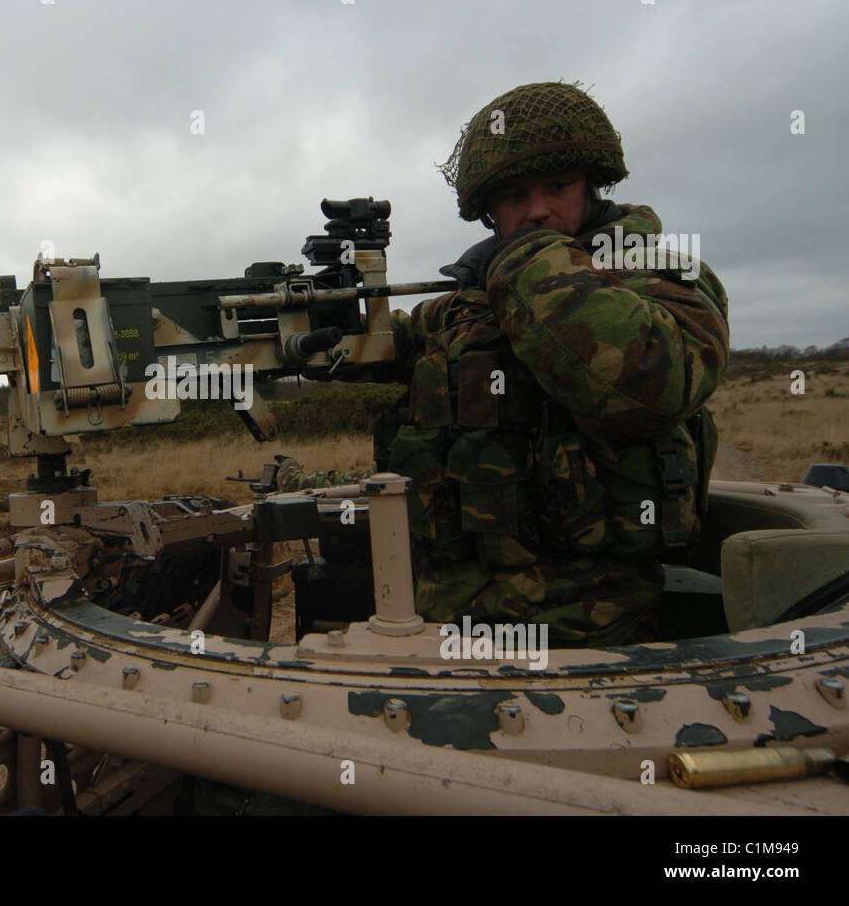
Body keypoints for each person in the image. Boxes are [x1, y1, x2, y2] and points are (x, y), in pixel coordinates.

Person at [278, 81, 729, 647]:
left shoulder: (665, 280)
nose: (537, 210)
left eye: (557, 187)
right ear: (489, 212)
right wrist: (313, 323)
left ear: (593, 184)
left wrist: (524, 259)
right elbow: (381, 345)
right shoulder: (467, 306)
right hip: (441, 619)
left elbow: (648, 385)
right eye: (514, 197)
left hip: (586, 632)